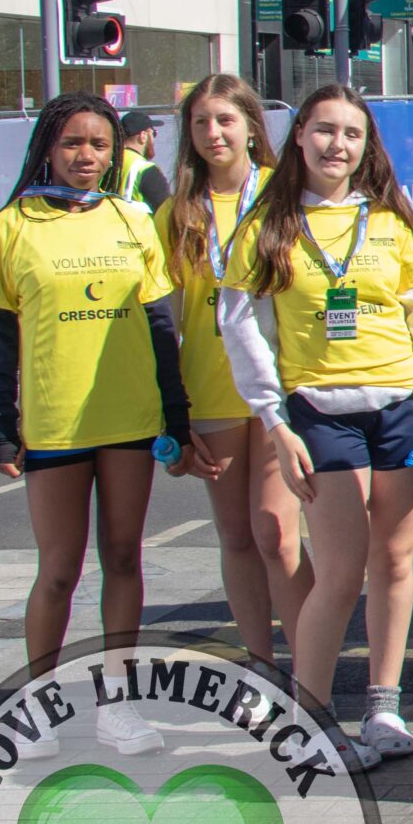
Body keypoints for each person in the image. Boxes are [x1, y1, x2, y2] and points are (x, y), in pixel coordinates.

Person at [221, 84, 413, 770]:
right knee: (337, 571)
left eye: (352, 134)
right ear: (298, 137)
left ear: (367, 147)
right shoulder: (265, 229)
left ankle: (384, 705)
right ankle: (312, 720)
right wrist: (274, 421)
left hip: (400, 407)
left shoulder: (389, 223)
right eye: (325, 130)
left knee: (394, 559)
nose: (338, 145)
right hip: (318, 412)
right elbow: (242, 331)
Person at [0, 93, 190, 755]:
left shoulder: (132, 218)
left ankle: (118, 706)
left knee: (124, 557)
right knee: (60, 570)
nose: (86, 155)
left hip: (129, 417)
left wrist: (176, 415)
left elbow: (160, 325)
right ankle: (36, 707)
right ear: (49, 145)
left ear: (114, 152)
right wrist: (1, 427)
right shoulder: (13, 225)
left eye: (99, 144)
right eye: (73, 142)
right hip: (55, 424)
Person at [157, 74, 304, 665]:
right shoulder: (176, 212)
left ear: (250, 126)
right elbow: (166, 316)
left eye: (225, 120)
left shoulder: (284, 195)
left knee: (275, 530)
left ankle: (309, 668)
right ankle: (263, 669)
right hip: (211, 389)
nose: (213, 133)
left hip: (278, 387)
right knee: (238, 537)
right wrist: (172, 411)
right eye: (200, 122)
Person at [114, 109, 172, 210]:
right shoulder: (147, 170)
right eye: (153, 133)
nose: (153, 139)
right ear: (143, 136)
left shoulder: (108, 162)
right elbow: (166, 214)